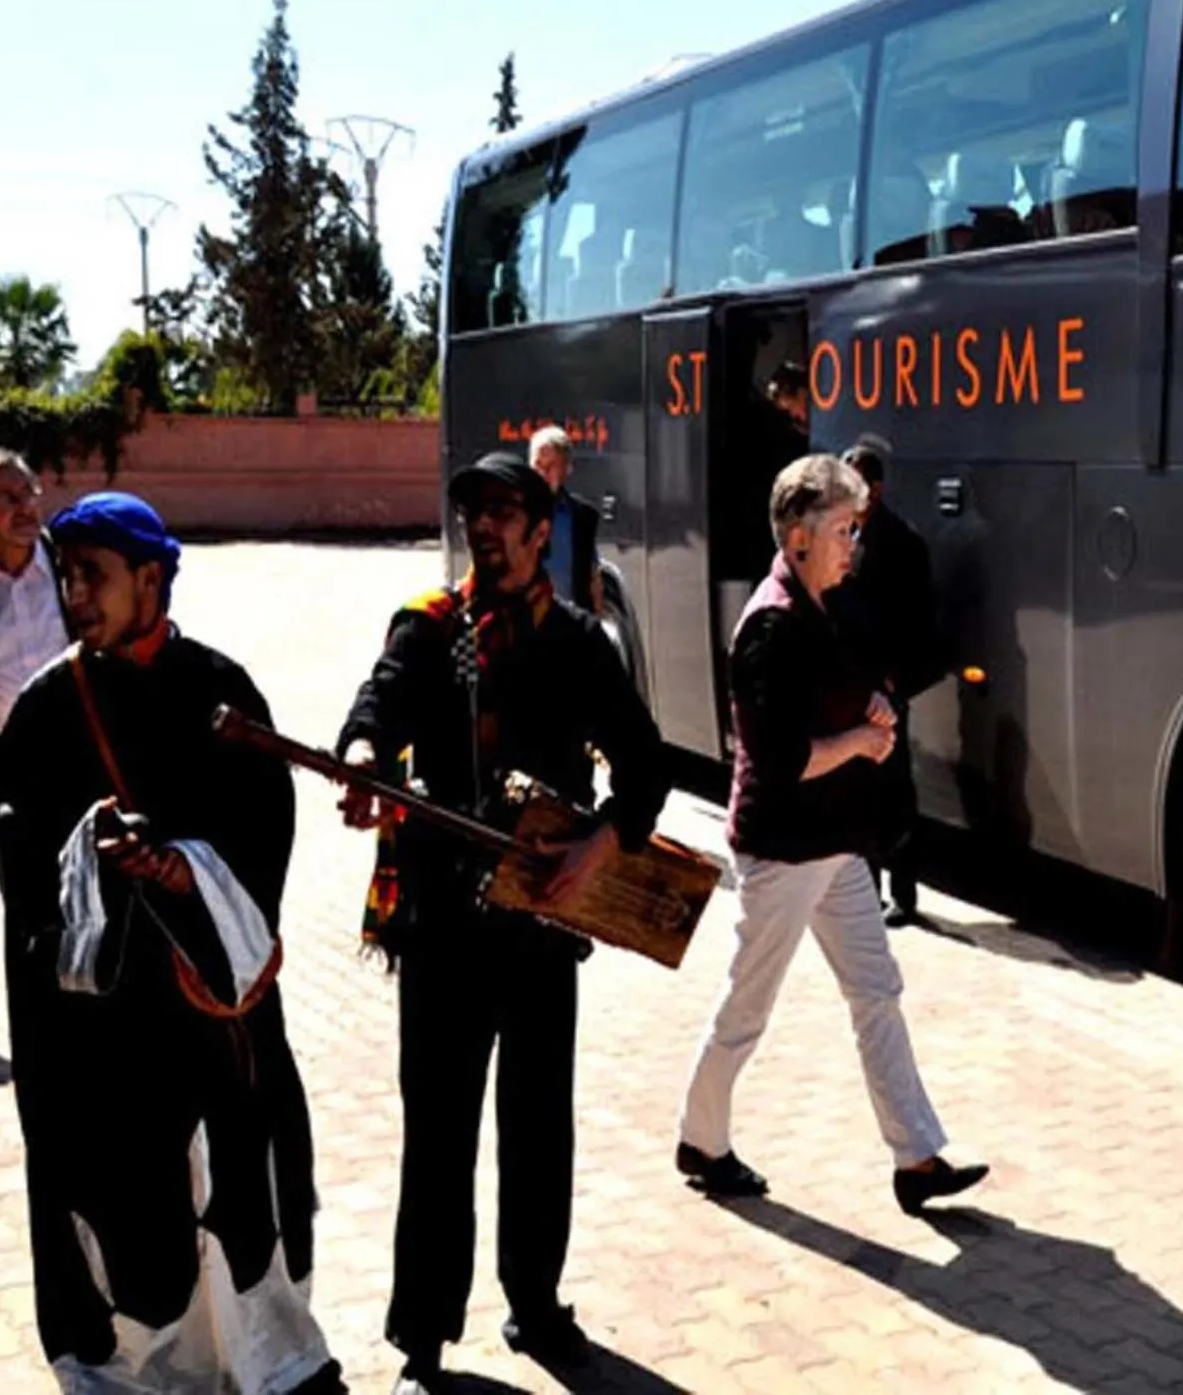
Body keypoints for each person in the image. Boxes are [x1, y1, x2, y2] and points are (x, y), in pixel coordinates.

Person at [0, 493, 343, 1393]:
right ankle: (150, 1372)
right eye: (67, 575)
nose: (75, 593)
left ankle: (265, 1359)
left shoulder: (222, 691)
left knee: (240, 1196)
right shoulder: (43, 712)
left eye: (94, 576)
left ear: (152, 578)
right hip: (107, 1032)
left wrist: (186, 872)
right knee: (134, 1214)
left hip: (209, 1013)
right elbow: (21, 859)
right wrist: (92, 865)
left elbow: (264, 830)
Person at [336, 450, 670, 1395]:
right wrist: (363, 752)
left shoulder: (576, 642)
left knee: (538, 1125)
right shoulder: (431, 627)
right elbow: (378, 703)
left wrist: (598, 849)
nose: (484, 526)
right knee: (437, 1131)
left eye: (503, 511)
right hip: (442, 922)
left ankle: (537, 1304)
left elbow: (645, 771)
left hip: (540, 921)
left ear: (539, 529)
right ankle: (424, 1340)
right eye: (473, 511)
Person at [675, 454, 987, 1214]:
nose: (856, 542)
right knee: (749, 1006)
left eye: (858, 526)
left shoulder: (828, 602)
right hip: (783, 849)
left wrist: (875, 710)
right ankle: (700, 1138)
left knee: (876, 990)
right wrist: (858, 742)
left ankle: (916, 1158)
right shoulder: (768, 628)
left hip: (835, 844)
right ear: (798, 534)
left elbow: (854, 689)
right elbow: (779, 762)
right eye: (845, 528)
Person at [835, 439, 943, 926]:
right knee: (862, 787)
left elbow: (916, 617)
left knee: (893, 786)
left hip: (886, 681)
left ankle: (904, 892)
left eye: (855, 483)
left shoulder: (900, 542)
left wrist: (896, 675)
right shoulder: (845, 536)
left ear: (876, 488)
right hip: (855, 678)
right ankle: (868, 889)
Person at [0, 450, 70, 790]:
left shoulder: (70, 563)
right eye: (8, 498)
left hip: (72, 744)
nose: (25, 506)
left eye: (30, 491)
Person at [527, 424, 603, 613]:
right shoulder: (516, 514)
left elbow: (592, 577)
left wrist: (597, 626)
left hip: (571, 629)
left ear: (567, 468)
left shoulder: (583, 516)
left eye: (551, 466)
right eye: (538, 465)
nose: (543, 473)